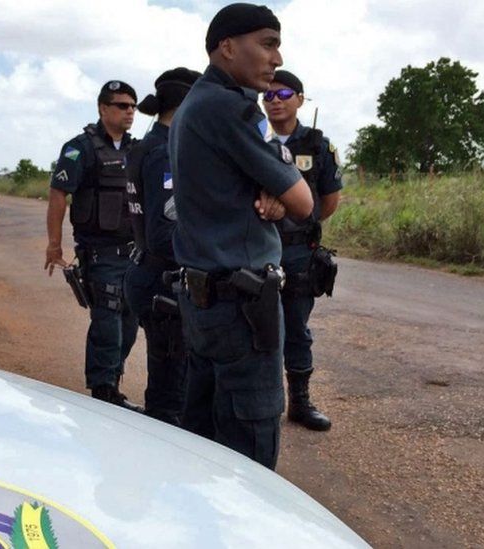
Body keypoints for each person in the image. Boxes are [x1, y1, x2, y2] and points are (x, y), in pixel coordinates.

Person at [169, 3, 314, 469]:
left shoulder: (195, 103)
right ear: (228, 48)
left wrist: (272, 190)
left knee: (204, 446)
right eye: (267, 43)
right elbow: (305, 203)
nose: (276, 58)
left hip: (206, 300)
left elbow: (255, 192)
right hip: (240, 310)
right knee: (248, 459)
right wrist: (280, 184)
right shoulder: (231, 108)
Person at [45, 80, 142, 411]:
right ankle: (103, 393)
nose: (130, 111)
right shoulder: (79, 148)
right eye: (122, 105)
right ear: (103, 109)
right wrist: (53, 245)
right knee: (107, 325)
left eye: (133, 106)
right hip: (100, 254)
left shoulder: (136, 149)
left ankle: (112, 381)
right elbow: (59, 194)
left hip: (134, 253)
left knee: (129, 325)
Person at [263, 70, 342, 431]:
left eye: (283, 93)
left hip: (297, 251)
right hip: (256, 247)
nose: (275, 100)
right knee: (259, 328)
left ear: (299, 99)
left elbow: (329, 199)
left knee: (296, 327)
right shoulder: (251, 138)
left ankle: (300, 402)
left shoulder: (316, 145)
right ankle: (264, 402)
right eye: (268, 95)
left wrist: (301, 219)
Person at [124, 67, 202, 426]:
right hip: (161, 279)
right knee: (172, 394)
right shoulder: (165, 152)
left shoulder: (145, 146)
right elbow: (164, 231)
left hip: (148, 272)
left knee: (169, 379)